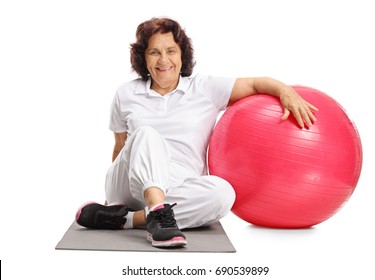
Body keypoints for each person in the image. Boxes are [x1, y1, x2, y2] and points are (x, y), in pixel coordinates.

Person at [75, 17, 318, 248]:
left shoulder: (204, 88)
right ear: (144, 58)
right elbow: (120, 146)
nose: (164, 60)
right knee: (147, 134)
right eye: (154, 52)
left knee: (223, 194)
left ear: (182, 54)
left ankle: (129, 219)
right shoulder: (126, 93)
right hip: (130, 184)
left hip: (178, 187)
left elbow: (256, 84)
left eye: (170, 51)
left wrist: (287, 93)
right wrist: (111, 194)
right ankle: (152, 215)